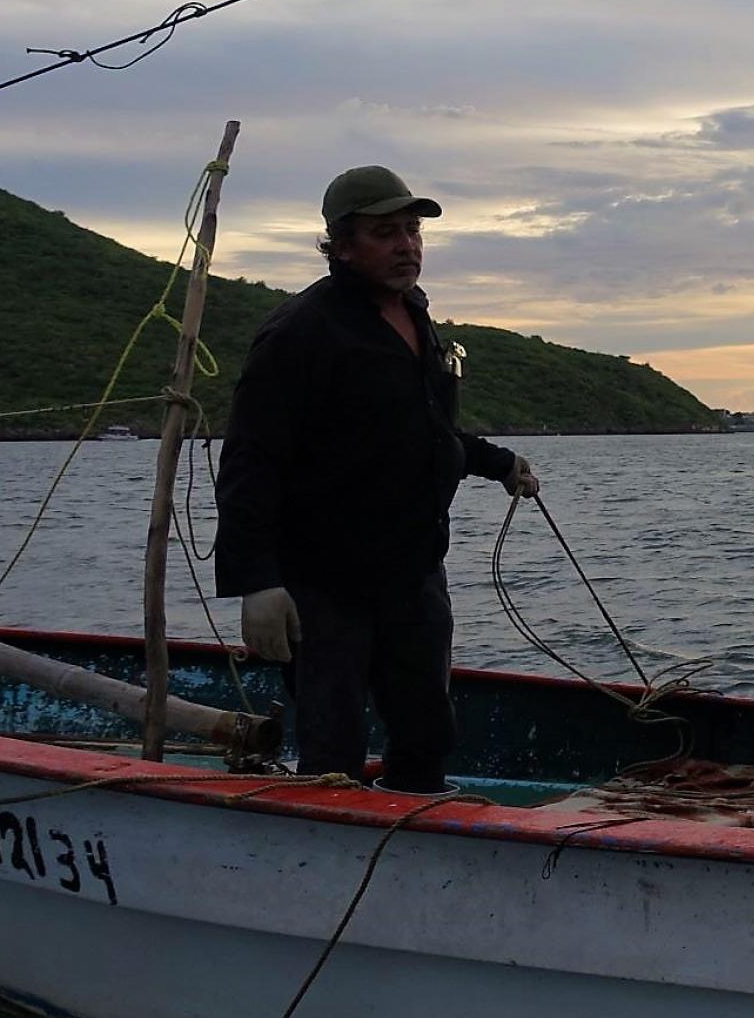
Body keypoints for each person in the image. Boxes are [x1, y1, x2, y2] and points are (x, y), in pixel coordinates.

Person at [216, 166, 538, 793]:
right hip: (325, 582)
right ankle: (324, 867)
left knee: (426, 730)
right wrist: (256, 583)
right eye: (385, 232)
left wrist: (501, 464)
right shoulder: (300, 333)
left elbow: (423, 432)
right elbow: (250, 460)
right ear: (340, 245)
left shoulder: (416, 316)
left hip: (413, 570)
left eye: (413, 231)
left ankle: (418, 844)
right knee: (332, 743)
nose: (407, 246)